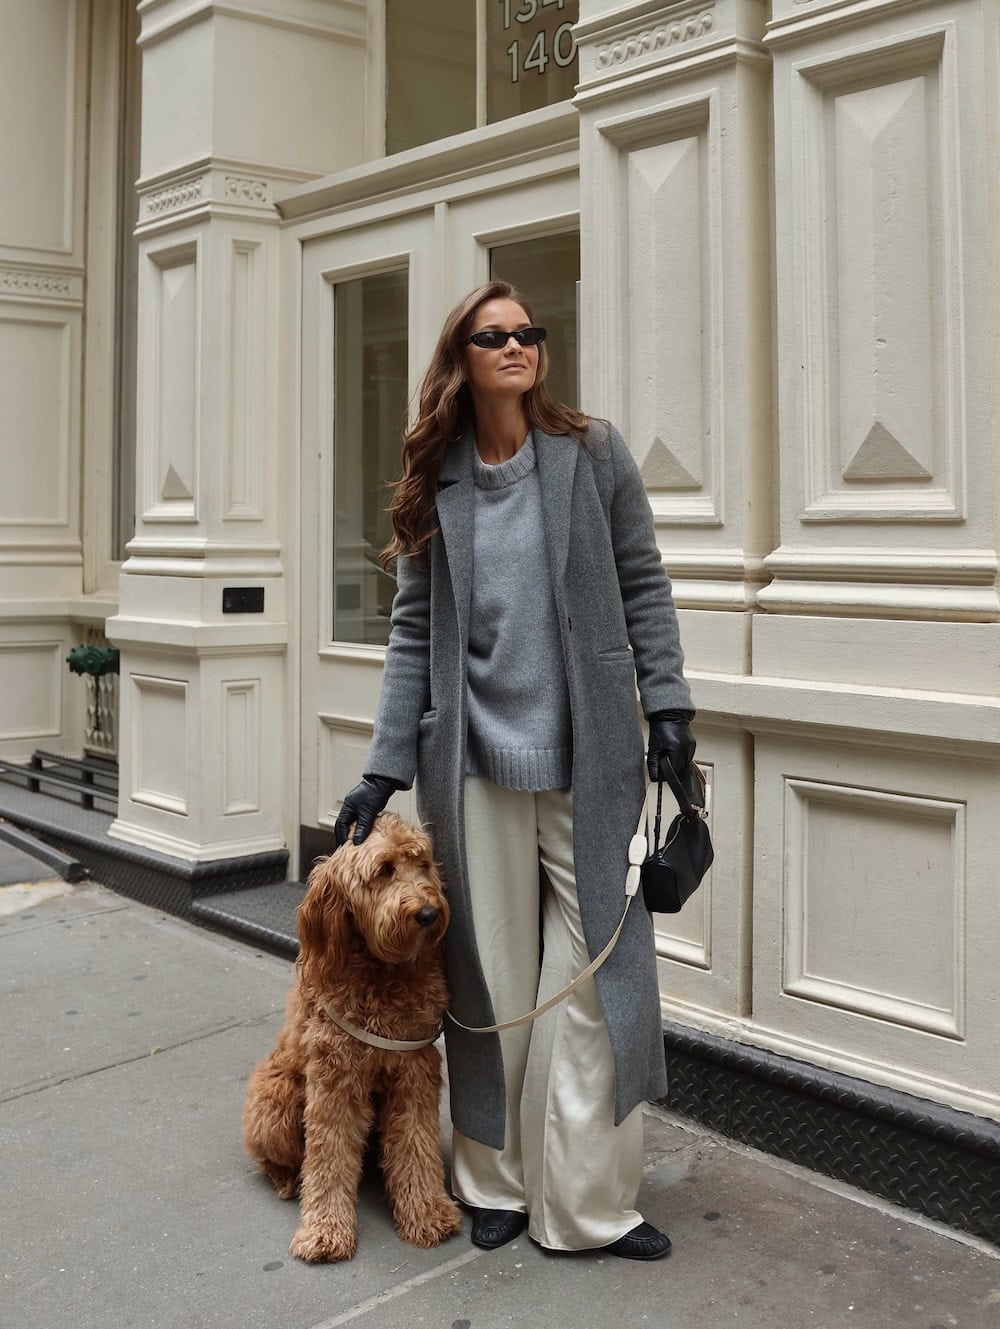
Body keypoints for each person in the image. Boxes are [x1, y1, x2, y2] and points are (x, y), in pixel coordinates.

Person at [334, 281, 696, 1261]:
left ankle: (586, 1204)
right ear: (462, 358)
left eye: (527, 333)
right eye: (495, 336)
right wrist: (381, 771)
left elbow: (642, 584)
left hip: (592, 761)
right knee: (486, 982)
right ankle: (490, 1181)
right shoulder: (437, 479)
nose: (517, 347)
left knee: (594, 980)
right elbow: (412, 635)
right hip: (476, 768)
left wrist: (667, 707)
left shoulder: (592, 454)